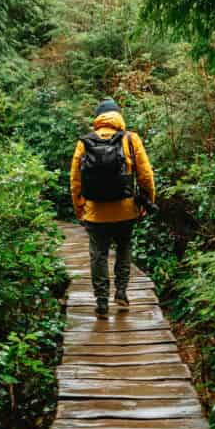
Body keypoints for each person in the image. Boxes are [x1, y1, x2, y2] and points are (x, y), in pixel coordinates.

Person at [70, 97, 156, 318]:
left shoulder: (85, 141)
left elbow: (75, 180)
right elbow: (146, 174)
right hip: (126, 210)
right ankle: (121, 292)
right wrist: (148, 200)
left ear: (98, 118)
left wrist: (79, 207)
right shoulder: (130, 139)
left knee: (98, 254)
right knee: (124, 248)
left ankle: (101, 302)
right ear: (118, 116)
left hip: (95, 212)